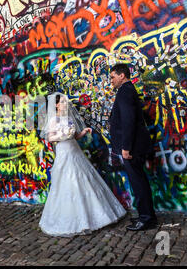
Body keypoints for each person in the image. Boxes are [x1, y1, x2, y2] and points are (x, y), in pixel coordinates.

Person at [38, 92, 127, 237]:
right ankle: (74, 220)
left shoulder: (68, 118)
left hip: (75, 150)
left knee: (84, 179)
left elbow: (75, 137)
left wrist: (83, 132)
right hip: (64, 152)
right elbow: (50, 138)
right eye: (63, 102)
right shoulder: (54, 119)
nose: (65, 104)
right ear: (56, 104)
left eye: (66, 102)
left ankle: (95, 217)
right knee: (68, 182)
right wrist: (63, 135)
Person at [109, 63, 157, 231]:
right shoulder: (128, 90)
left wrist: (126, 147)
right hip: (135, 145)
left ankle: (147, 218)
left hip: (132, 147)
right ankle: (145, 215)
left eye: (113, 76)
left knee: (138, 182)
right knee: (139, 181)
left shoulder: (125, 91)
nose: (111, 80)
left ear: (122, 75)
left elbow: (129, 121)